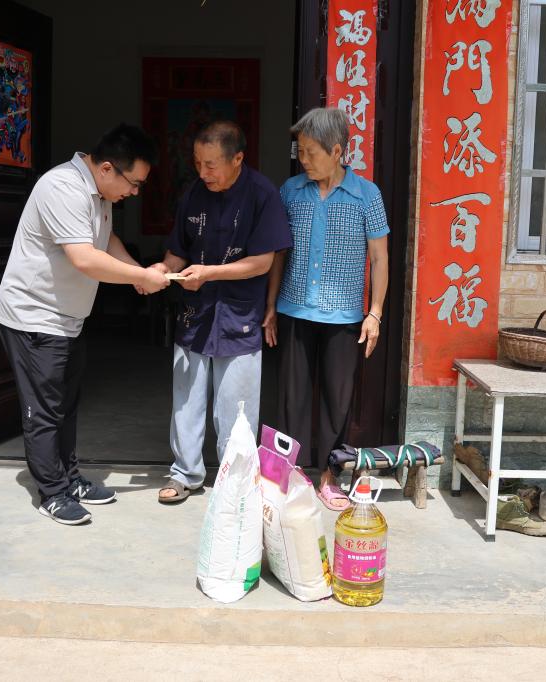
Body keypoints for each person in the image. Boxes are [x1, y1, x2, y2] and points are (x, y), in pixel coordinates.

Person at [0, 124, 170, 525]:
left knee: (65, 405)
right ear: (107, 168)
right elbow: (85, 258)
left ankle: (69, 478)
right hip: (34, 316)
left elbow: (105, 242)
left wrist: (138, 273)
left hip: (68, 317)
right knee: (44, 410)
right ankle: (52, 493)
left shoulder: (100, 193)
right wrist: (141, 277)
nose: (135, 192)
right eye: (134, 183)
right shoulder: (62, 187)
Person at [153, 120, 292, 503]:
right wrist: (162, 269)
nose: (203, 172)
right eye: (198, 163)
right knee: (187, 401)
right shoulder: (193, 193)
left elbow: (262, 262)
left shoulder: (262, 195)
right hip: (194, 313)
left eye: (211, 164)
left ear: (237, 159)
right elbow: (178, 249)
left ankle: (236, 482)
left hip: (239, 315)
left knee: (237, 408)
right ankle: (185, 474)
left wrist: (209, 273)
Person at [262, 107, 389, 511]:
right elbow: (279, 254)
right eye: (299, 151)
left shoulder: (367, 195)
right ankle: (291, 474)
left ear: (336, 151)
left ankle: (330, 477)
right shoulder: (290, 191)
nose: (303, 159)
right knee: (292, 399)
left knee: (337, 401)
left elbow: (379, 258)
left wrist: (375, 313)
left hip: (344, 316)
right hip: (294, 310)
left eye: (311, 152)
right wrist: (270, 306)